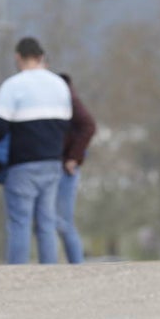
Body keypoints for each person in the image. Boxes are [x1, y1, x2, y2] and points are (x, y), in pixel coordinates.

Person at [0, 37, 71, 264]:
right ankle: (50, 273)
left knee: (20, 222)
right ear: (41, 57)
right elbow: (66, 123)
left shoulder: (13, 85)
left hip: (22, 165)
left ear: (18, 58)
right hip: (52, 162)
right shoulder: (60, 85)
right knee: (46, 223)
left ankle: (17, 274)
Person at [57, 72, 97, 263]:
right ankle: (74, 263)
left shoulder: (67, 96)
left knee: (64, 222)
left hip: (66, 167)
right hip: (58, 163)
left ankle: (78, 265)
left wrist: (73, 157)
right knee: (56, 222)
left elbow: (89, 125)